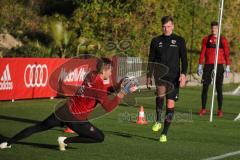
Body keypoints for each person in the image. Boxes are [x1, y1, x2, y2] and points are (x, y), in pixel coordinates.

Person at [0, 57, 138, 151]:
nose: (111, 72)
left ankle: (7, 142)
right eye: (110, 70)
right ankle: (66, 141)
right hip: (76, 119)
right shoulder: (99, 85)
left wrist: (117, 86)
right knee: (99, 137)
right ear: (104, 70)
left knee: (39, 127)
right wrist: (123, 92)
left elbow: (99, 92)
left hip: (64, 110)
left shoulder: (91, 75)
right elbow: (108, 106)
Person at [146, 16, 188, 142]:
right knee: (159, 96)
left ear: (173, 26)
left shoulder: (179, 41)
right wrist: (148, 75)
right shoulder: (155, 41)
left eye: (168, 26)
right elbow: (151, 59)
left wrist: (184, 74)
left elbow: (184, 59)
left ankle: (164, 133)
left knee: (170, 103)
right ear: (161, 26)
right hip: (160, 75)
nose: (166, 28)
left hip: (174, 77)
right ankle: (158, 120)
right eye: (164, 26)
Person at [198, 21, 230, 117]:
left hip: (219, 65)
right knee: (205, 88)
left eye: (215, 28)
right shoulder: (206, 39)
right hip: (208, 66)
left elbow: (227, 53)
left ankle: (220, 110)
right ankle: (203, 109)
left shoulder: (223, 40)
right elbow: (202, 52)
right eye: (212, 28)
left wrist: (228, 66)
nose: (213, 30)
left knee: (219, 88)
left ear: (218, 28)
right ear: (210, 28)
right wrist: (200, 65)